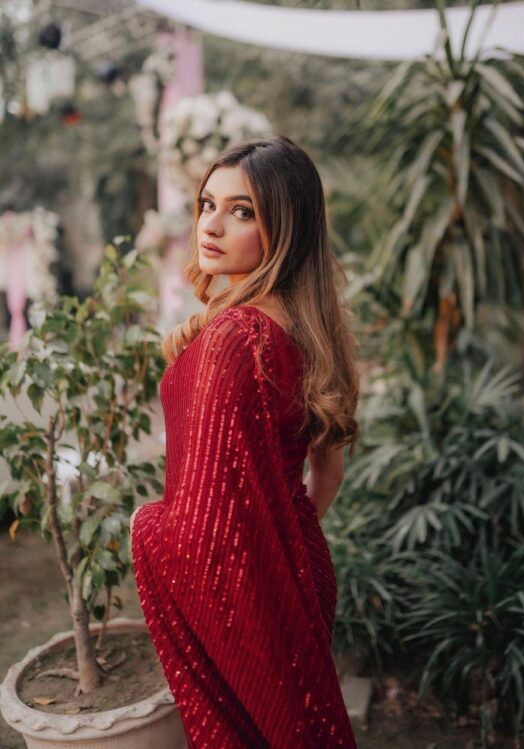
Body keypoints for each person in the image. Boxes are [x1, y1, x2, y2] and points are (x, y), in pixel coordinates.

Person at [130, 134, 360, 748]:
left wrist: (147, 527)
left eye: (242, 211)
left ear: (285, 228)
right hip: (297, 571)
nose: (211, 224)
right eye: (208, 203)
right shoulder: (310, 329)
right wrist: (283, 541)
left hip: (245, 595)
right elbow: (327, 477)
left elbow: (203, 531)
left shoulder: (236, 339)